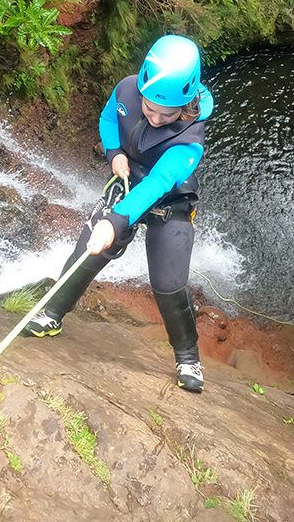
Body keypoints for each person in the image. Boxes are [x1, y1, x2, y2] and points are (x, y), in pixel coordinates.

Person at [22, 34, 213, 393]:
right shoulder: (127, 90)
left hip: (168, 202)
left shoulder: (190, 141)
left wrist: (116, 221)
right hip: (126, 182)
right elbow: (110, 118)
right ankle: (51, 315)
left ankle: (188, 357)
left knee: (168, 284)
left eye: (166, 113)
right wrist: (114, 153)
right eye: (149, 107)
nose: (155, 118)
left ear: (186, 105)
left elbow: (158, 183)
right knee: (88, 249)